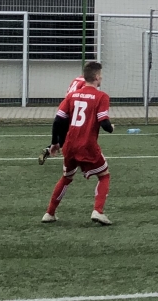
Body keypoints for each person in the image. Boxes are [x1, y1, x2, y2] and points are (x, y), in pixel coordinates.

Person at [42, 61, 113, 225]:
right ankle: (98, 211)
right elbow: (105, 124)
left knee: (66, 177)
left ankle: (49, 213)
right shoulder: (101, 96)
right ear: (96, 77)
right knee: (104, 175)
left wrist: (55, 143)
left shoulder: (72, 96)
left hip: (69, 145)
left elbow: (58, 120)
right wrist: (112, 128)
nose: (101, 78)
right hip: (87, 145)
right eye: (100, 75)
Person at [38, 74, 87, 165]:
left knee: (64, 140)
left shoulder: (77, 79)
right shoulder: (86, 83)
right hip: (72, 111)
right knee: (78, 138)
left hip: (65, 107)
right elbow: (83, 97)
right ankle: (77, 161)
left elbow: (68, 93)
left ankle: (49, 150)